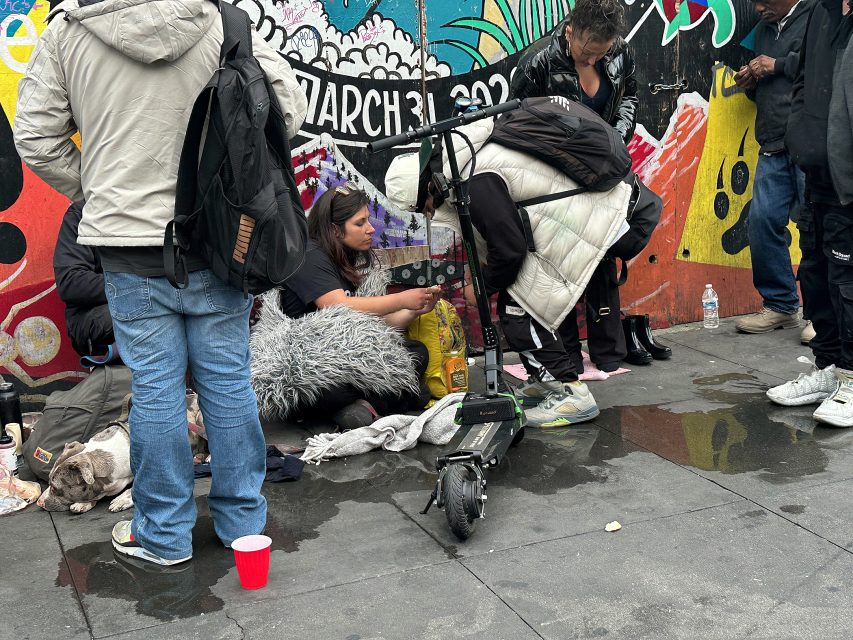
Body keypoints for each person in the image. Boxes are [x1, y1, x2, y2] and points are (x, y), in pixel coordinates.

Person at [15, 0, 307, 565]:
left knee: (155, 390)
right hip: (217, 244)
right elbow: (285, 113)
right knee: (227, 382)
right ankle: (243, 525)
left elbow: (35, 137)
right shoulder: (225, 20)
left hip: (128, 252)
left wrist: (98, 196)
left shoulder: (68, 32)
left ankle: (165, 536)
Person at [384, 107, 633, 428]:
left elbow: (511, 249)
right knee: (517, 301)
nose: (429, 214)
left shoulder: (471, 177)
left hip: (596, 214)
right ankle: (549, 382)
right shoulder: (466, 166)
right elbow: (503, 230)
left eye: (424, 208)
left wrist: (482, 285)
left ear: (426, 191)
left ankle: (572, 393)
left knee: (520, 306)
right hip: (582, 214)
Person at [510, 0, 640, 372]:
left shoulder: (620, 53)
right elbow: (516, 119)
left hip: (604, 173)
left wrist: (615, 142)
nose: (593, 59)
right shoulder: (539, 62)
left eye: (602, 52)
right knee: (560, 263)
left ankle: (609, 354)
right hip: (558, 177)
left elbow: (629, 97)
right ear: (570, 31)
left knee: (601, 256)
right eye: (586, 52)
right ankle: (565, 355)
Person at [279, 183, 438, 428]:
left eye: (368, 221)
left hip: (346, 354)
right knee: (329, 389)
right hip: (309, 363)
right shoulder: (310, 256)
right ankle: (370, 404)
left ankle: (362, 407)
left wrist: (413, 310)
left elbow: (367, 324)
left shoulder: (342, 257)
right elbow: (338, 306)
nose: (370, 229)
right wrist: (401, 299)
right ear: (335, 229)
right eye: (360, 223)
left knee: (416, 353)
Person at [767, 0, 853, 427]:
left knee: (849, 282)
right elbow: (803, 78)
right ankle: (829, 369)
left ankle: (852, 380)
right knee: (816, 271)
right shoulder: (822, 11)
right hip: (817, 168)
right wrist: (799, 135)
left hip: (849, 175)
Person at [732, 0, 811, 340]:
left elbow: (822, 68)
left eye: (763, 0)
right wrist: (752, 83)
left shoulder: (817, 16)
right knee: (762, 222)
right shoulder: (764, 30)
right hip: (774, 142)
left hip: (810, 142)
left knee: (816, 227)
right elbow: (769, 87)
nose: (758, 6)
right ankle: (781, 305)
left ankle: (825, 315)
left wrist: (775, 65)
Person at [52, 201, 117, 362]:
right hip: (98, 315)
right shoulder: (84, 213)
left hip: (164, 303)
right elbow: (71, 282)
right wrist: (137, 288)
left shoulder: (165, 209)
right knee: (147, 314)